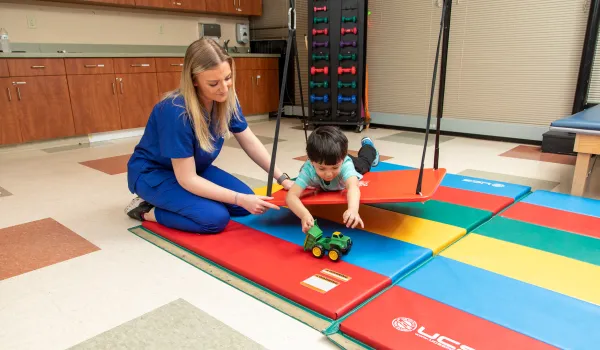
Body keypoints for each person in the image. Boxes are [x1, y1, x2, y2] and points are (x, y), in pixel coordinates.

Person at [124, 38, 294, 234]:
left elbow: (249, 141)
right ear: (194, 80)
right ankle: (146, 209)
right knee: (214, 218)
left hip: (194, 169)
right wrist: (238, 198)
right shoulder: (175, 111)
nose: (224, 88)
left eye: (228, 78)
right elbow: (186, 179)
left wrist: (282, 178)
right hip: (154, 174)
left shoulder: (225, 98)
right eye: (213, 83)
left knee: (245, 203)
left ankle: (182, 201)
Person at [285, 125, 380, 233]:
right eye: (322, 168)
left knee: (364, 164)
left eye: (334, 168)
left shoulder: (345, 164)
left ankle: (369, 146)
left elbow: (353, 187)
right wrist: (304, 215)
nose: (329, 174)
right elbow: (291, 196)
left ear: (343, 160)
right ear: (311, 161)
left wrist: (353, 209)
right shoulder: (308, 169)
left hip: (348, 162)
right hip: (334, 159)